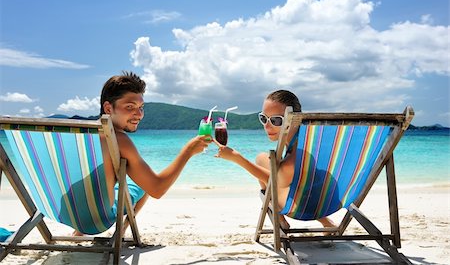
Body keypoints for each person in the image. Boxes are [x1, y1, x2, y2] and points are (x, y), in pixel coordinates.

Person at [74, 71, 211, 235]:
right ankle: (121, 231)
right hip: (97, 220)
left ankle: (77, 233)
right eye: (130, 107)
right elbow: (157, 189)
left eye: (141, 108)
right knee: (142, 183)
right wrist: (188, 151)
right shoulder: (119, 140)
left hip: (63, 212)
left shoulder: (75, 137)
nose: (138, 114)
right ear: (108, 108)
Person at [213, 90, 335, 231]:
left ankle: (280, 219)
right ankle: (326, 222)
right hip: (323, 199)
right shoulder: (305, 137)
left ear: (294, 119)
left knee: (269, 180)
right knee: (262, 158)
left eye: (276, 120)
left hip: (304, 208)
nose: (267, 126)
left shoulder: (299, 149)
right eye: (264, 118)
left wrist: (237, 158)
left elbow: (276, 183)